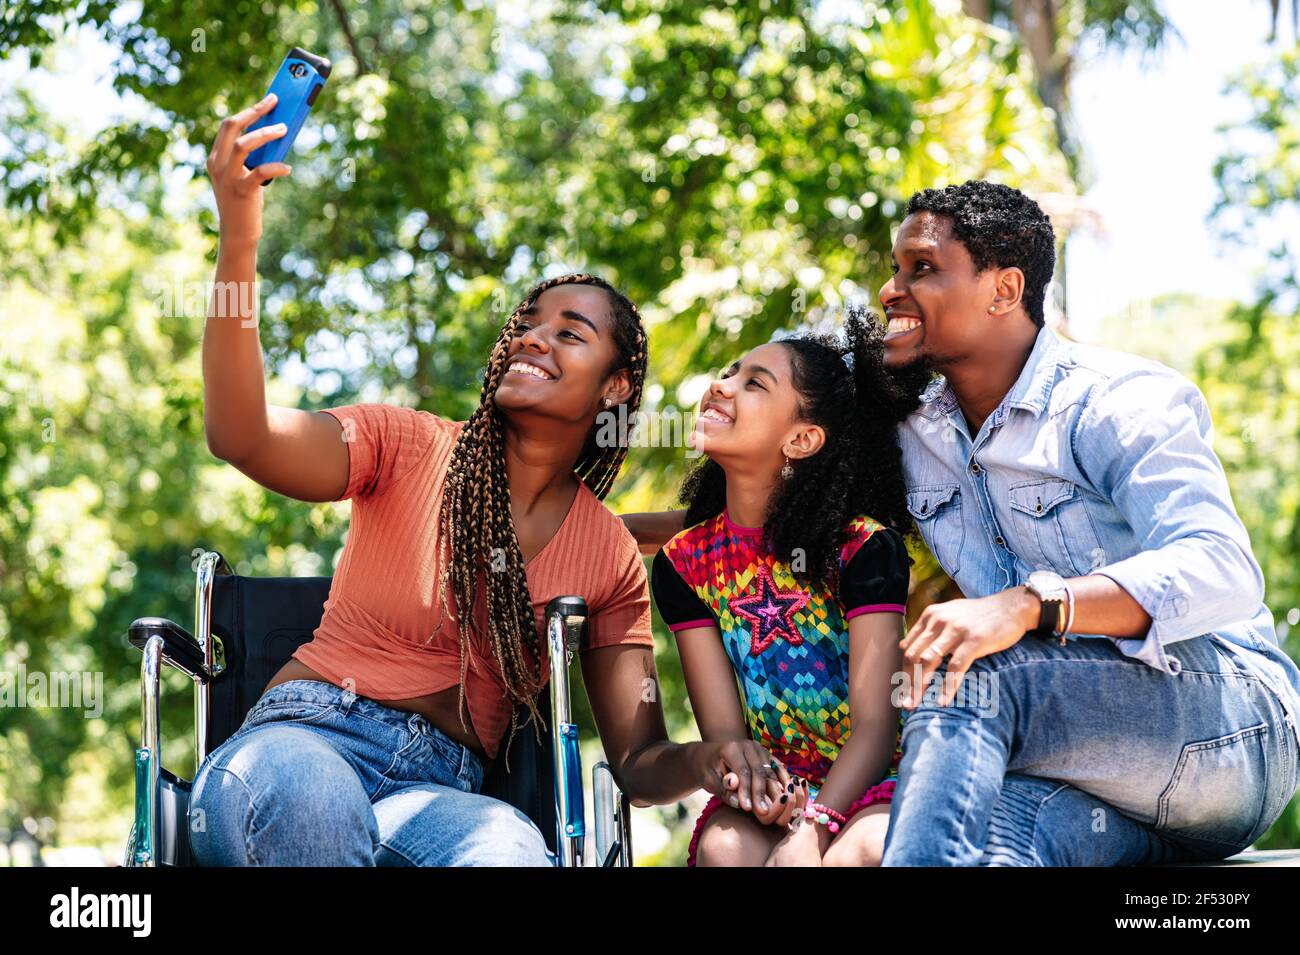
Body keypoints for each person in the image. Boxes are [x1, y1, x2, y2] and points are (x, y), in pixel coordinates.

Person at [622, 180, 1300, 866]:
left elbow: (1222, 567)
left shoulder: (1116, 401)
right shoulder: (920, 433)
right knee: (968, 847)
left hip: (1226, 735)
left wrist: (1028, 606)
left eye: (921, 267)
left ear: (1003, 290)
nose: (891, 289)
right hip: (1083, 784)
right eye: (894, 268)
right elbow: (776, 503)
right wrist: (597, 533)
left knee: (970, 668)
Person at [187, 93, 752, 866]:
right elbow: (240, 433)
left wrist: (710, 758)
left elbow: (639, 760)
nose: (533, 338)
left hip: (443, 792)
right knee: (311, 804)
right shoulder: (403, 444)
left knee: (511, 850)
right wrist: (239, 235)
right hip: (302, 739)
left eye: (570, 332)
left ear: (616, 386)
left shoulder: (604, 554)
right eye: (527, 323)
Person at [649, 310, 923, 866]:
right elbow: (728, 735)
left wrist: (815, 827)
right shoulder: (684, 564)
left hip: (881, 777)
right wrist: (762, 793)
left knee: (862, 853)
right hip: (774, 789)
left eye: (753, 383)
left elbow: (876, 726)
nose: (720, 386)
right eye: (729, 372)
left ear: (801, 439)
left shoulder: (861, 548)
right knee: (724, 850)